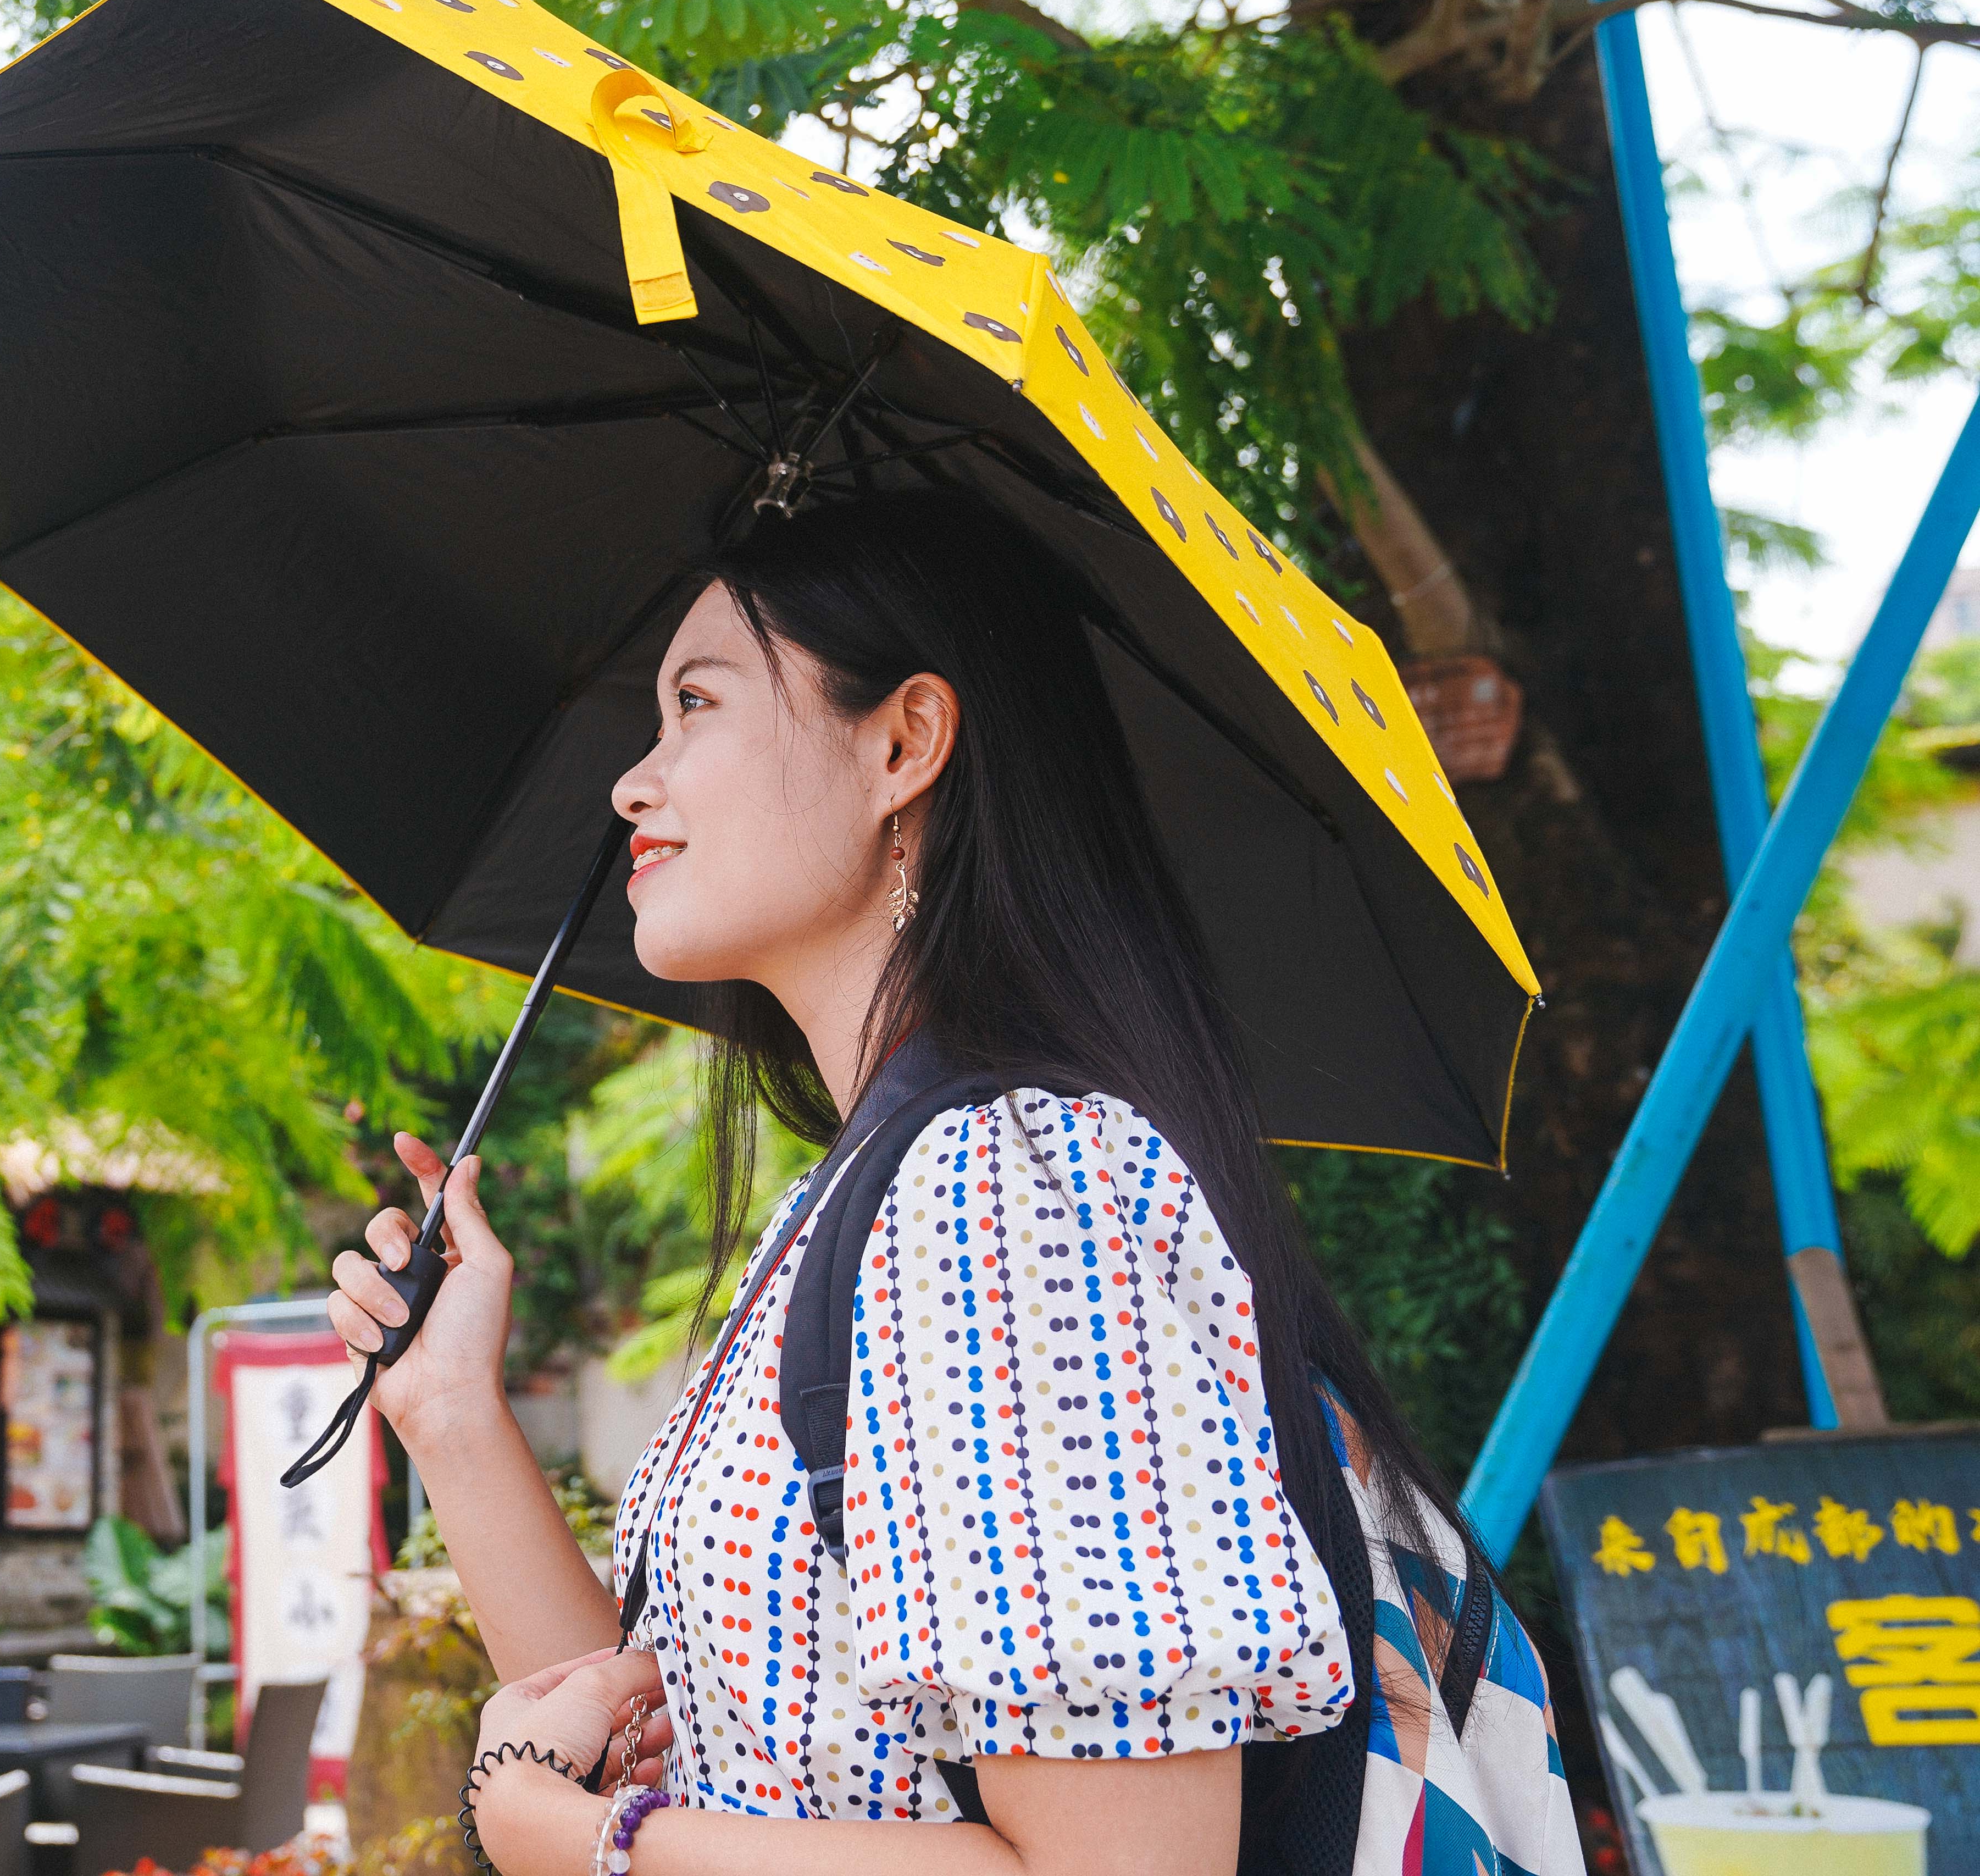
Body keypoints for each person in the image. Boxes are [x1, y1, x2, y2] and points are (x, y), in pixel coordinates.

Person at [325, 496, 1577, 1876]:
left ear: (905, 742)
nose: (635, 781)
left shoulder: (1001, 1195)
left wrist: (592, 1844)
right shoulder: (857, 1199)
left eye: (696, 704)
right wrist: (448, 1413)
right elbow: (680, 1738)